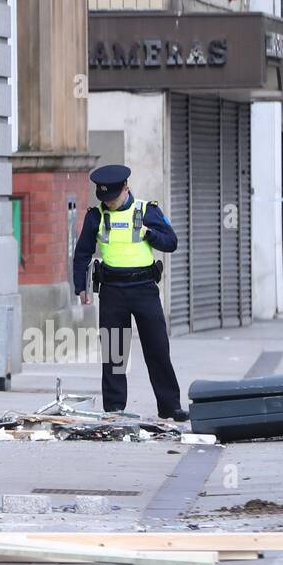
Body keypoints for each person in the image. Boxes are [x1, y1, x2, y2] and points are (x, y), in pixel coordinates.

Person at [73, 164, 187, 421]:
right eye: (104, 199)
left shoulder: (147, 210)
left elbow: (172, 242)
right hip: (112, 291)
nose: (108, 203)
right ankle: (114, 408)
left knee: (157, 349)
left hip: (144, 289)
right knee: (114, 353)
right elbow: (82, 253)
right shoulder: (96, 216)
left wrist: (150, 234)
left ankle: (170, 406)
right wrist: (81, 286)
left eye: (112, 198)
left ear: (126, 188)